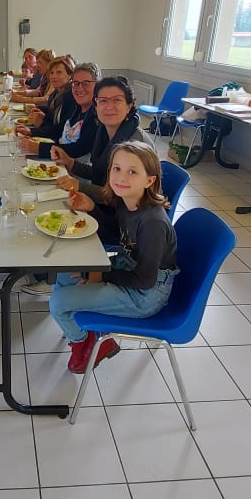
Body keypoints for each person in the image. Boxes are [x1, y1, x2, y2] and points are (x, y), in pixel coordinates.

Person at [49, 142, 178, 375]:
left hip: (145, 295)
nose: (121, 177)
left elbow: (145, 280)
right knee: (65, 272)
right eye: (116, 169)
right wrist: (92, 208)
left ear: (149, 180)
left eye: (132, 171)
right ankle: (86, 328)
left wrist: (99, 275)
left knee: (58, 303)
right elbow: (117, 235)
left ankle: (85, 342)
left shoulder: (152, 223)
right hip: (128, 266)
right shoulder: (128, 200)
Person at [54, 76, 154, 204]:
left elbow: (123, 198)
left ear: (129, 106)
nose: (109, 106)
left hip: (129, 212)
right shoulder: (104, 131)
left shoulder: (134, 145)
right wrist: (69, 162)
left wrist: (80, 186)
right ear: (95, 107)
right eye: (103, 101)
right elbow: (100, 173)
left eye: (117, 100)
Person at [19, 62, 101, 160]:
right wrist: (32, 132)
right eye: (76, 83)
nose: (80, 88)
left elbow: (76, 149)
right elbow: (60, 129)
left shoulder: (97, 117)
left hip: (73, 167)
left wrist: (38, 148)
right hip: (59, 161)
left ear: (98, 86)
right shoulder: (78, 109)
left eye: (85, 83)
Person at [15, 55, 75, 141]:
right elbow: (52, 116)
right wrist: (41, 111)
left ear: (70, 75)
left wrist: (34, 130)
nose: (53, 76)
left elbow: (61, 131)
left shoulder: (71, 97)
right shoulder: (56, 93)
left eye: (59, 72)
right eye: (51, 73)